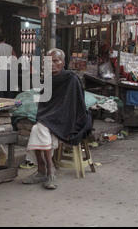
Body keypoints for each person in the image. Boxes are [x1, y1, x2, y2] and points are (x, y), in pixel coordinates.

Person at [22, 48, 92, 190]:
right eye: (48, 61)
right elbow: (44, 104)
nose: (52, 64)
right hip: (51, 117)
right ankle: (48, 169)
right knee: (39, 126)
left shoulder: (71, 79)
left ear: (63, 63)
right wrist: (47, 116)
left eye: (56, 61)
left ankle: (46, 169)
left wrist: (53, 116)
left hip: (68, 118)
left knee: (39, 127)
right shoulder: (46, 80)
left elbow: (74, 105)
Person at [0, 32, 17, 98]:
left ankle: (1, 104)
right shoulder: (9, 47)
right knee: (8, 89)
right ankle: (10, 104)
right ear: (5, 39)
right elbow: (15, 58)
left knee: (0, 90)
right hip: (8, 70)